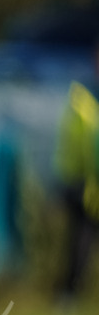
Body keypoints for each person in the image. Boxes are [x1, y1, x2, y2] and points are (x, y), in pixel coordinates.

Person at [53, 43, 99, 298]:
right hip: (83, 183)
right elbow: (73, 143)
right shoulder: (83, 97)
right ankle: (68, 295)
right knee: (80, 243)